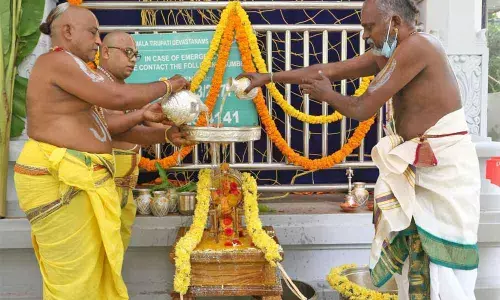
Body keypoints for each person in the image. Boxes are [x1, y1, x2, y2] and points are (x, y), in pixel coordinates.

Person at [238, 0, 480, 299]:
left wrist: (327, 95)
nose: (365, 35)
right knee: (413, 263)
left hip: (442, 171)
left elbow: (363, 107)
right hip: (417, 170)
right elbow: (327, 70)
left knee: (442, 269)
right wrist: (267, 78)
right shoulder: (390, 53)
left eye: (369, 27)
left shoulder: (420, 47)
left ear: (393, 22)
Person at [13, 3, 190, 299]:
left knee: (92, 273)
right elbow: (116, 97)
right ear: (67, 31)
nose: (98, 41)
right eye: (94, 33)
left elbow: (108, 128)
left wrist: (166, 134)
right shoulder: (56, 61)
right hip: (59, 181)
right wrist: (167, 85)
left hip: (80, 180)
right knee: (75, 279)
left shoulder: (77, 69)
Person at [95, 31, 193, 250]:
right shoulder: (98, 85)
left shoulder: (123, 89)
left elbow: (153, 125)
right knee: (101, 254)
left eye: (135, 54)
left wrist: (191, 130)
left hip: (124, 190)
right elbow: (112, 129)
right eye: (127, 52)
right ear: (106, 53)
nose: (132, 59)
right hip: (103, 190)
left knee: (115, 254)